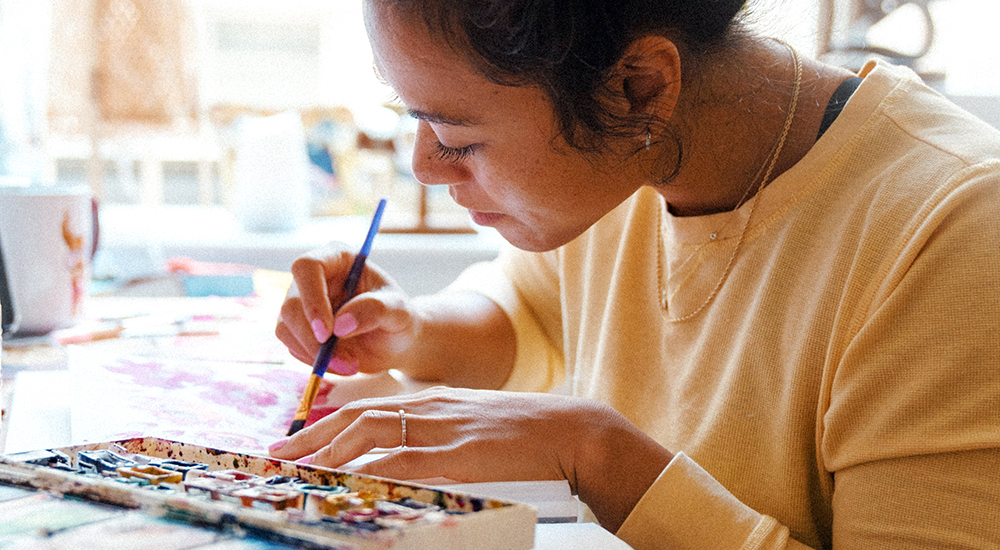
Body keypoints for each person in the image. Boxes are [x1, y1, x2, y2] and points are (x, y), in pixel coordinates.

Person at [268, 0, 1000, 547]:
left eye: (457, 134)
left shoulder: (954, 230)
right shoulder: (630, 161)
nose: (425, 167)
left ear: (638, 87)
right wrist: (412, 330)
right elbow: (527, 311)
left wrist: (596, 453)